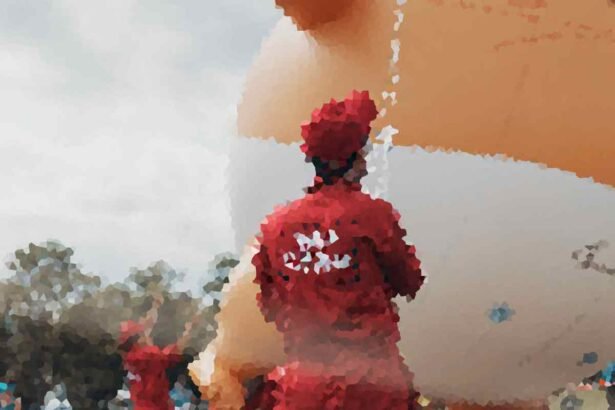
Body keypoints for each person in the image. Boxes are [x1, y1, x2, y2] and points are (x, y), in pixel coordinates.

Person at [251, 90, 425, 409]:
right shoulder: (373, 215)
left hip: (303, 392)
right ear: (356, 158)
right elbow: (410, 281)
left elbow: (269, 305)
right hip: (372, 389)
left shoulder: (275, 227)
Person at [119, 293, 198, 410]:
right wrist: (188, 331)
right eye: (153, 309)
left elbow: (170, 354)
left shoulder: (146, 350)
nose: (154, 315)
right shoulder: (142, 354)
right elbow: (170, 353)